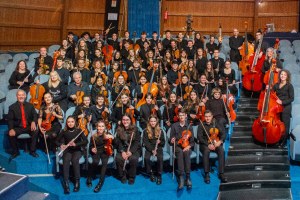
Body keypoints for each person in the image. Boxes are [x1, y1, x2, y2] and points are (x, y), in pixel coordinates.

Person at [55, 116, 88, 194]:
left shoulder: (79, 130)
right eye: (68, 122)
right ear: (66, 123)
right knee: (66, 160)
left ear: (75, 122)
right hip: (68, 150)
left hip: (77, 150)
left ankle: (77, 181)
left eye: (72, 121)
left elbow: (85, 141)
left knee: (74, 160)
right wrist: (61, 145)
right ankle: (66, 183)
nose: (70, 123)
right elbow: (56, 141)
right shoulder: (64, 131)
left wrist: (75, 144)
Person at [197, 110, 227, 184]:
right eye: (206, 116)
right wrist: (208, 145)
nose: (207, 118)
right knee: (206, 151)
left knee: (221, 150)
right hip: (205, 144)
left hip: (215, 143)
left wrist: (220, 141)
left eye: (209, 116)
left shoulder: (216, 123)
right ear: (204, 117)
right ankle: (206, 173)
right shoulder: (201, 125)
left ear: (212, 116)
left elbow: (223, 134)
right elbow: (199, 137)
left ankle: (221, 173)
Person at [7, 89, 39, 160]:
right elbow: (10, 120)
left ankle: (32, 151)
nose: (21, 96)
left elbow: (35, 115)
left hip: (28, 126)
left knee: (36, 131)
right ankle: (15, 152)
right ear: (16, 96)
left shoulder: (30, 106)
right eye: (19, 95)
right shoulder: (12, 107)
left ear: (25, 96)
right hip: (18, 127)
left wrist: (34, 121)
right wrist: (11, 129)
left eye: (22, 95)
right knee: (10, 133)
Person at [86, 120, 114, 193]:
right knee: (95, 161)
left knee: (104, 164)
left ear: (105, 127)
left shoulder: (108, 134)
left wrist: (112, 137)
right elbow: (90, 147)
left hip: (105, 151)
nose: (101, 128)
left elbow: (115, 143)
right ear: (97, 127)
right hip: (97, 151)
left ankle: (100, 183)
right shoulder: (94, 135)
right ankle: (89, 177)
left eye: (102, 126)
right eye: (99, 126)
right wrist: (92, 149)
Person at [169, 109, 194, 190]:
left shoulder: (189, 126)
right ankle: (181, 177)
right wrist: (172, 139)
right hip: (177, 146)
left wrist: (188, 147)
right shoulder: (174, 126)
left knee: (186, 153)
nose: (181, 117)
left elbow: (193, 142)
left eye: (183, 115)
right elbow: (171, 139)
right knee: (179, 152)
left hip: (187, 146)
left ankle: (188, 176)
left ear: (186, 116)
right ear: (178, 116)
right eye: (180, 115)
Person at [115, 114, 141, 185]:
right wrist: (122, 151)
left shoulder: (135, 129)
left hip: (133, 149)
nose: (125, 121)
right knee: (118, 158)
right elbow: (118, 142)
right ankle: (122, 175)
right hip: (123, 149)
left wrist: (131, 152)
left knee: (133, 159)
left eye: (127, 120)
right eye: (123, 120)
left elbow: (137, 142)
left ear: (130, 120)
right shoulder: (119, 129)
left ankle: (131, 177)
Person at [272, 69, 294, 147]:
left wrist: (282, 102)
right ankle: (278, 139)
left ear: (287, 77)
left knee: (285, 125)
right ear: (279, 75)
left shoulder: (289, 86)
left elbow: (292, 98)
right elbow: (271, 92)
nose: (283, 76)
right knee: (279, 124)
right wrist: (268, 88)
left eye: (285, 75)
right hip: (278, 107)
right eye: (281, 74)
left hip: (286, 107)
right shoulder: (277, 84)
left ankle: (284, 141)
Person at [143, 115, 165, 185]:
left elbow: (163, 142)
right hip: (149, 148)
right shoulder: (145, 131)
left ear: (156, 122)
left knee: (160, 158)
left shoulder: (160, 130)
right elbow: (146, 142)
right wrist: (152, 150)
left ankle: (159, 174)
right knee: (146, 158)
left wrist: (160, 142)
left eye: (154, 121)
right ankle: (150, 172)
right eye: (151, 121)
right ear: (149, 122)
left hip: (158, 147)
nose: (153, 123)